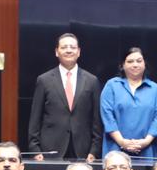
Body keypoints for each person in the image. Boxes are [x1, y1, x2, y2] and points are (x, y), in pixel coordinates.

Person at [28, 31, 103, 162]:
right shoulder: (44, 80)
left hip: (82, 150)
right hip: (50, 149)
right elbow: (35, 118)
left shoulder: (91, 81)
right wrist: (35, 149)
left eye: (72, 47)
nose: (69, 50)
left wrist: (94, 150)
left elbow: (96, 120)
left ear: (79, 52)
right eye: (64, 47)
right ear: (57, 51)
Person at [100, 46, 157, 161]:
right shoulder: (112, 85)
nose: (135, 65)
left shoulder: (155, 89)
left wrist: (145, 142)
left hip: (147, 150)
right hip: (116, 148)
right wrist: (122, 142)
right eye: (130, 61)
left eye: (139, 61)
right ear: (122, 65)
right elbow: (107, 116)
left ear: (145, 64)